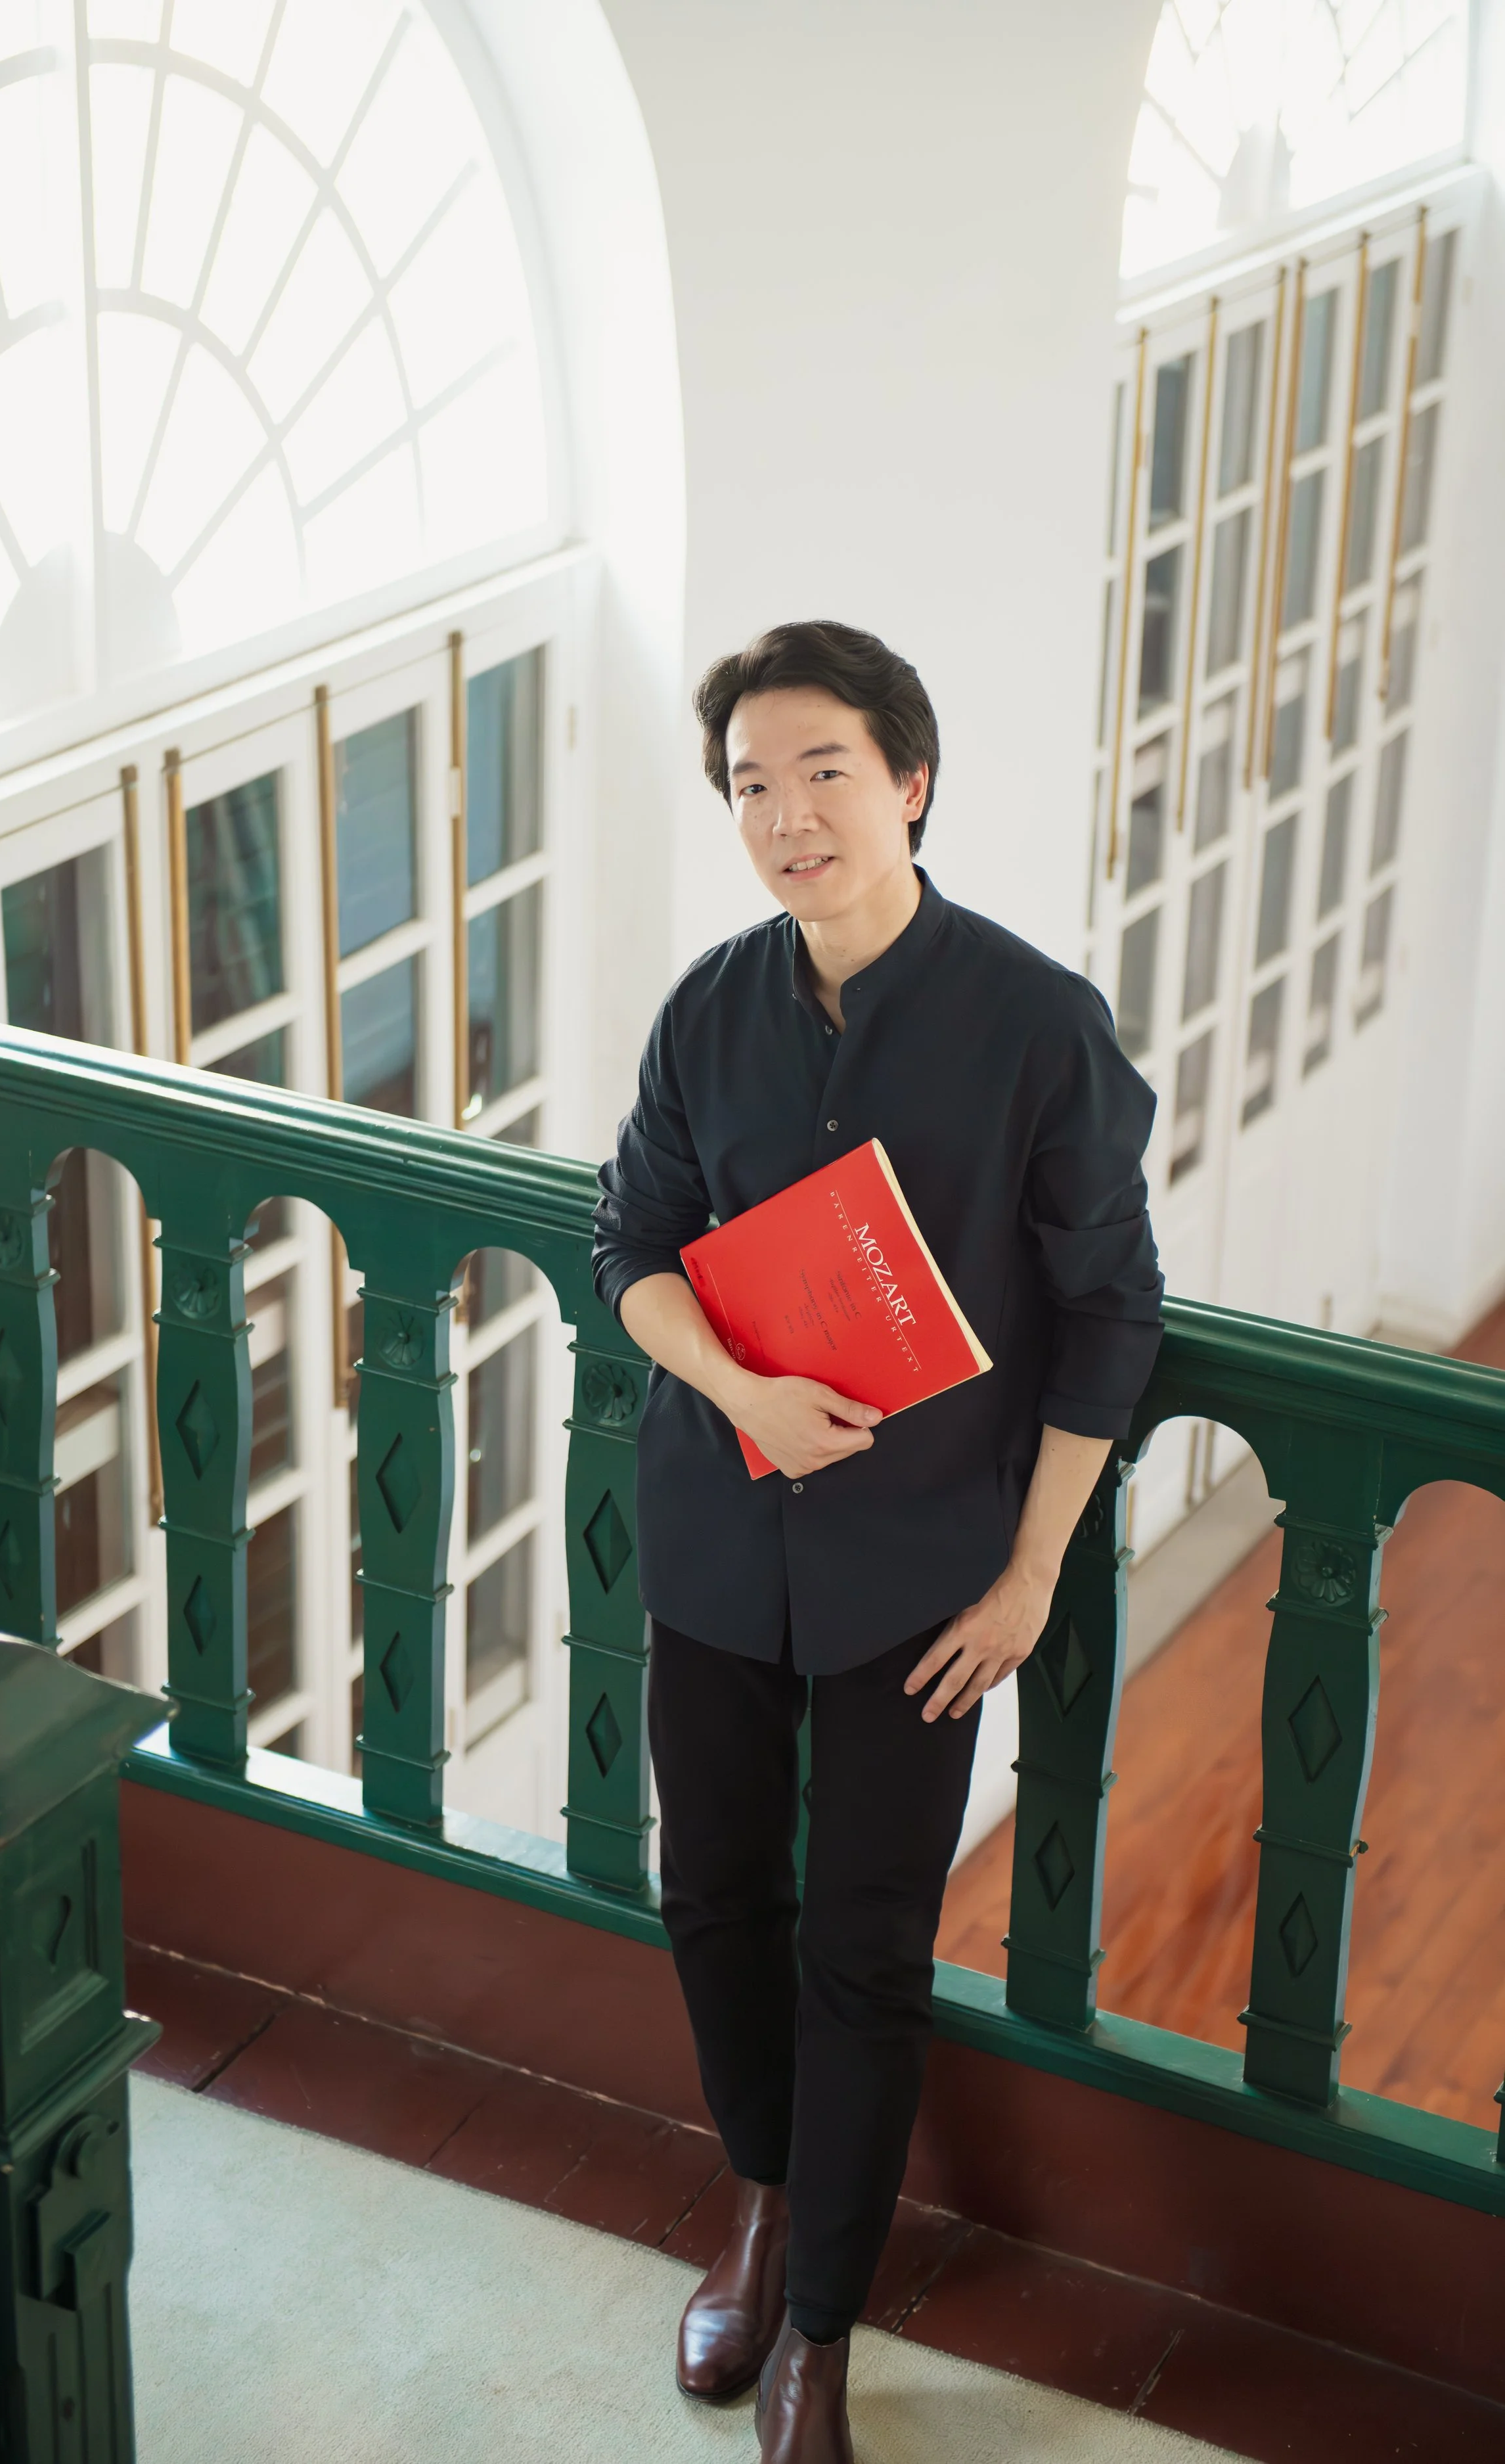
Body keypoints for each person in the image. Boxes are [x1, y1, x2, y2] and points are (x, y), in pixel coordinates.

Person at [591, 621, 1163, 2463]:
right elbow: (632, 1246)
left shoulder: (1038, 1024)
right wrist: (737, 1391)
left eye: (822, 770)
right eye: (751, 784)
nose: (787, 815)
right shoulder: (708, 1007)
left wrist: (1030, 1576)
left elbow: (1111, 1320)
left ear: (909, 781)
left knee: (864, 1946)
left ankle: (819, 2332)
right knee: (710, 1893)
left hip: (924, 1582)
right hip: (719, 1533)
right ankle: (760, 2203)